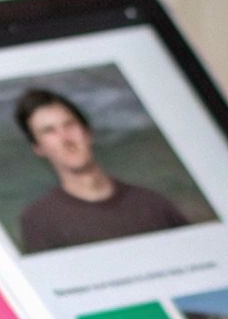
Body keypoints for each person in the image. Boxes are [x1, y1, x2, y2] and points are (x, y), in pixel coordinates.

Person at [13, 88, 188, 253]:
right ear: (38, 148)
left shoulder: (153, 203)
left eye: (69, 125)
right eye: (49, 131)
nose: (65, 138)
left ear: (87, 132)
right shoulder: (39, 221)